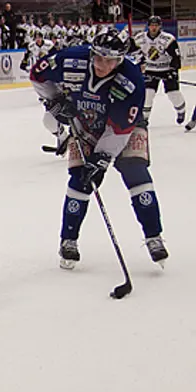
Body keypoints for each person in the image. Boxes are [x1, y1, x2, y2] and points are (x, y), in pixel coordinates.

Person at [30, 28, 169, 268]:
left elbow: (120, 129)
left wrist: (102, 158)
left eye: (109, 60)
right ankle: (68, 240)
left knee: (135, 172)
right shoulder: (72, 59)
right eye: (98, 58)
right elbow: (37, 74)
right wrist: (54, 100)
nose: (101, 65)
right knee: (80, 180)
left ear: (119, 60)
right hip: (85, 123)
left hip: (123, 128)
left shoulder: (131, 79)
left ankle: (153, 236)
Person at [134, 16, 185, 124]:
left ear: (160, 26)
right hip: (149, 70)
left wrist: (173, 70)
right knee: (148, 94)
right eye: (152, 25)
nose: (153, 28)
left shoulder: (168, 39)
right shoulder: (139, 38)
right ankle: (144, 119)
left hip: (167, 70)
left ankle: (181, 110)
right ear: (148, 26)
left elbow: (176, 57)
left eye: (156, 25)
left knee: (173, 94)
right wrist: (139, 64)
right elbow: (135, 54)